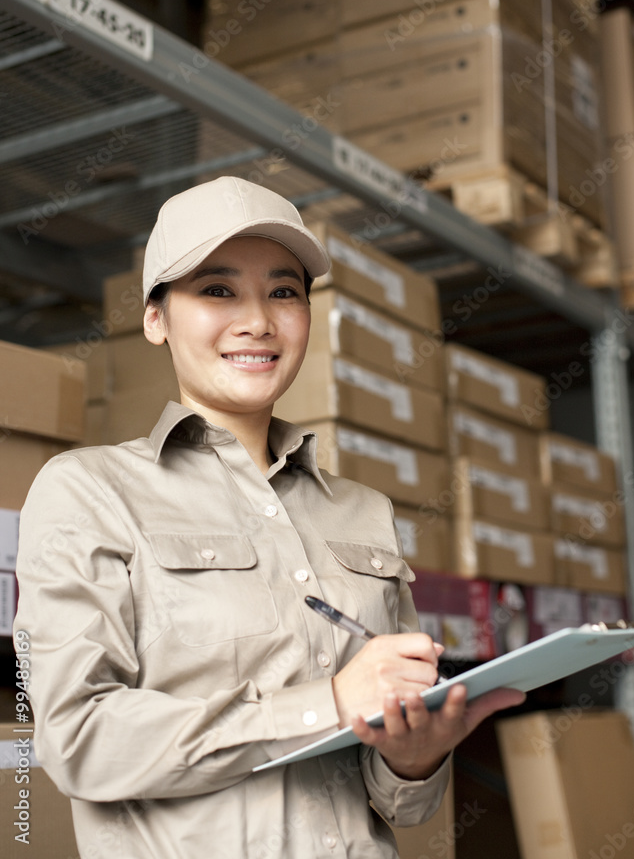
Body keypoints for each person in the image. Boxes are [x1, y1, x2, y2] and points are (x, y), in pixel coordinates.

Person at [14, 176, 524, 859]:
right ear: (156, 318)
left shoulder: (364, 511)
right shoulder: (88, 491)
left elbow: (401, 804)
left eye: (284, 291)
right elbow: (79, 743)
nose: (258, 320)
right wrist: (327, 704)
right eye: (217, 290)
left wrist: (415, 756)